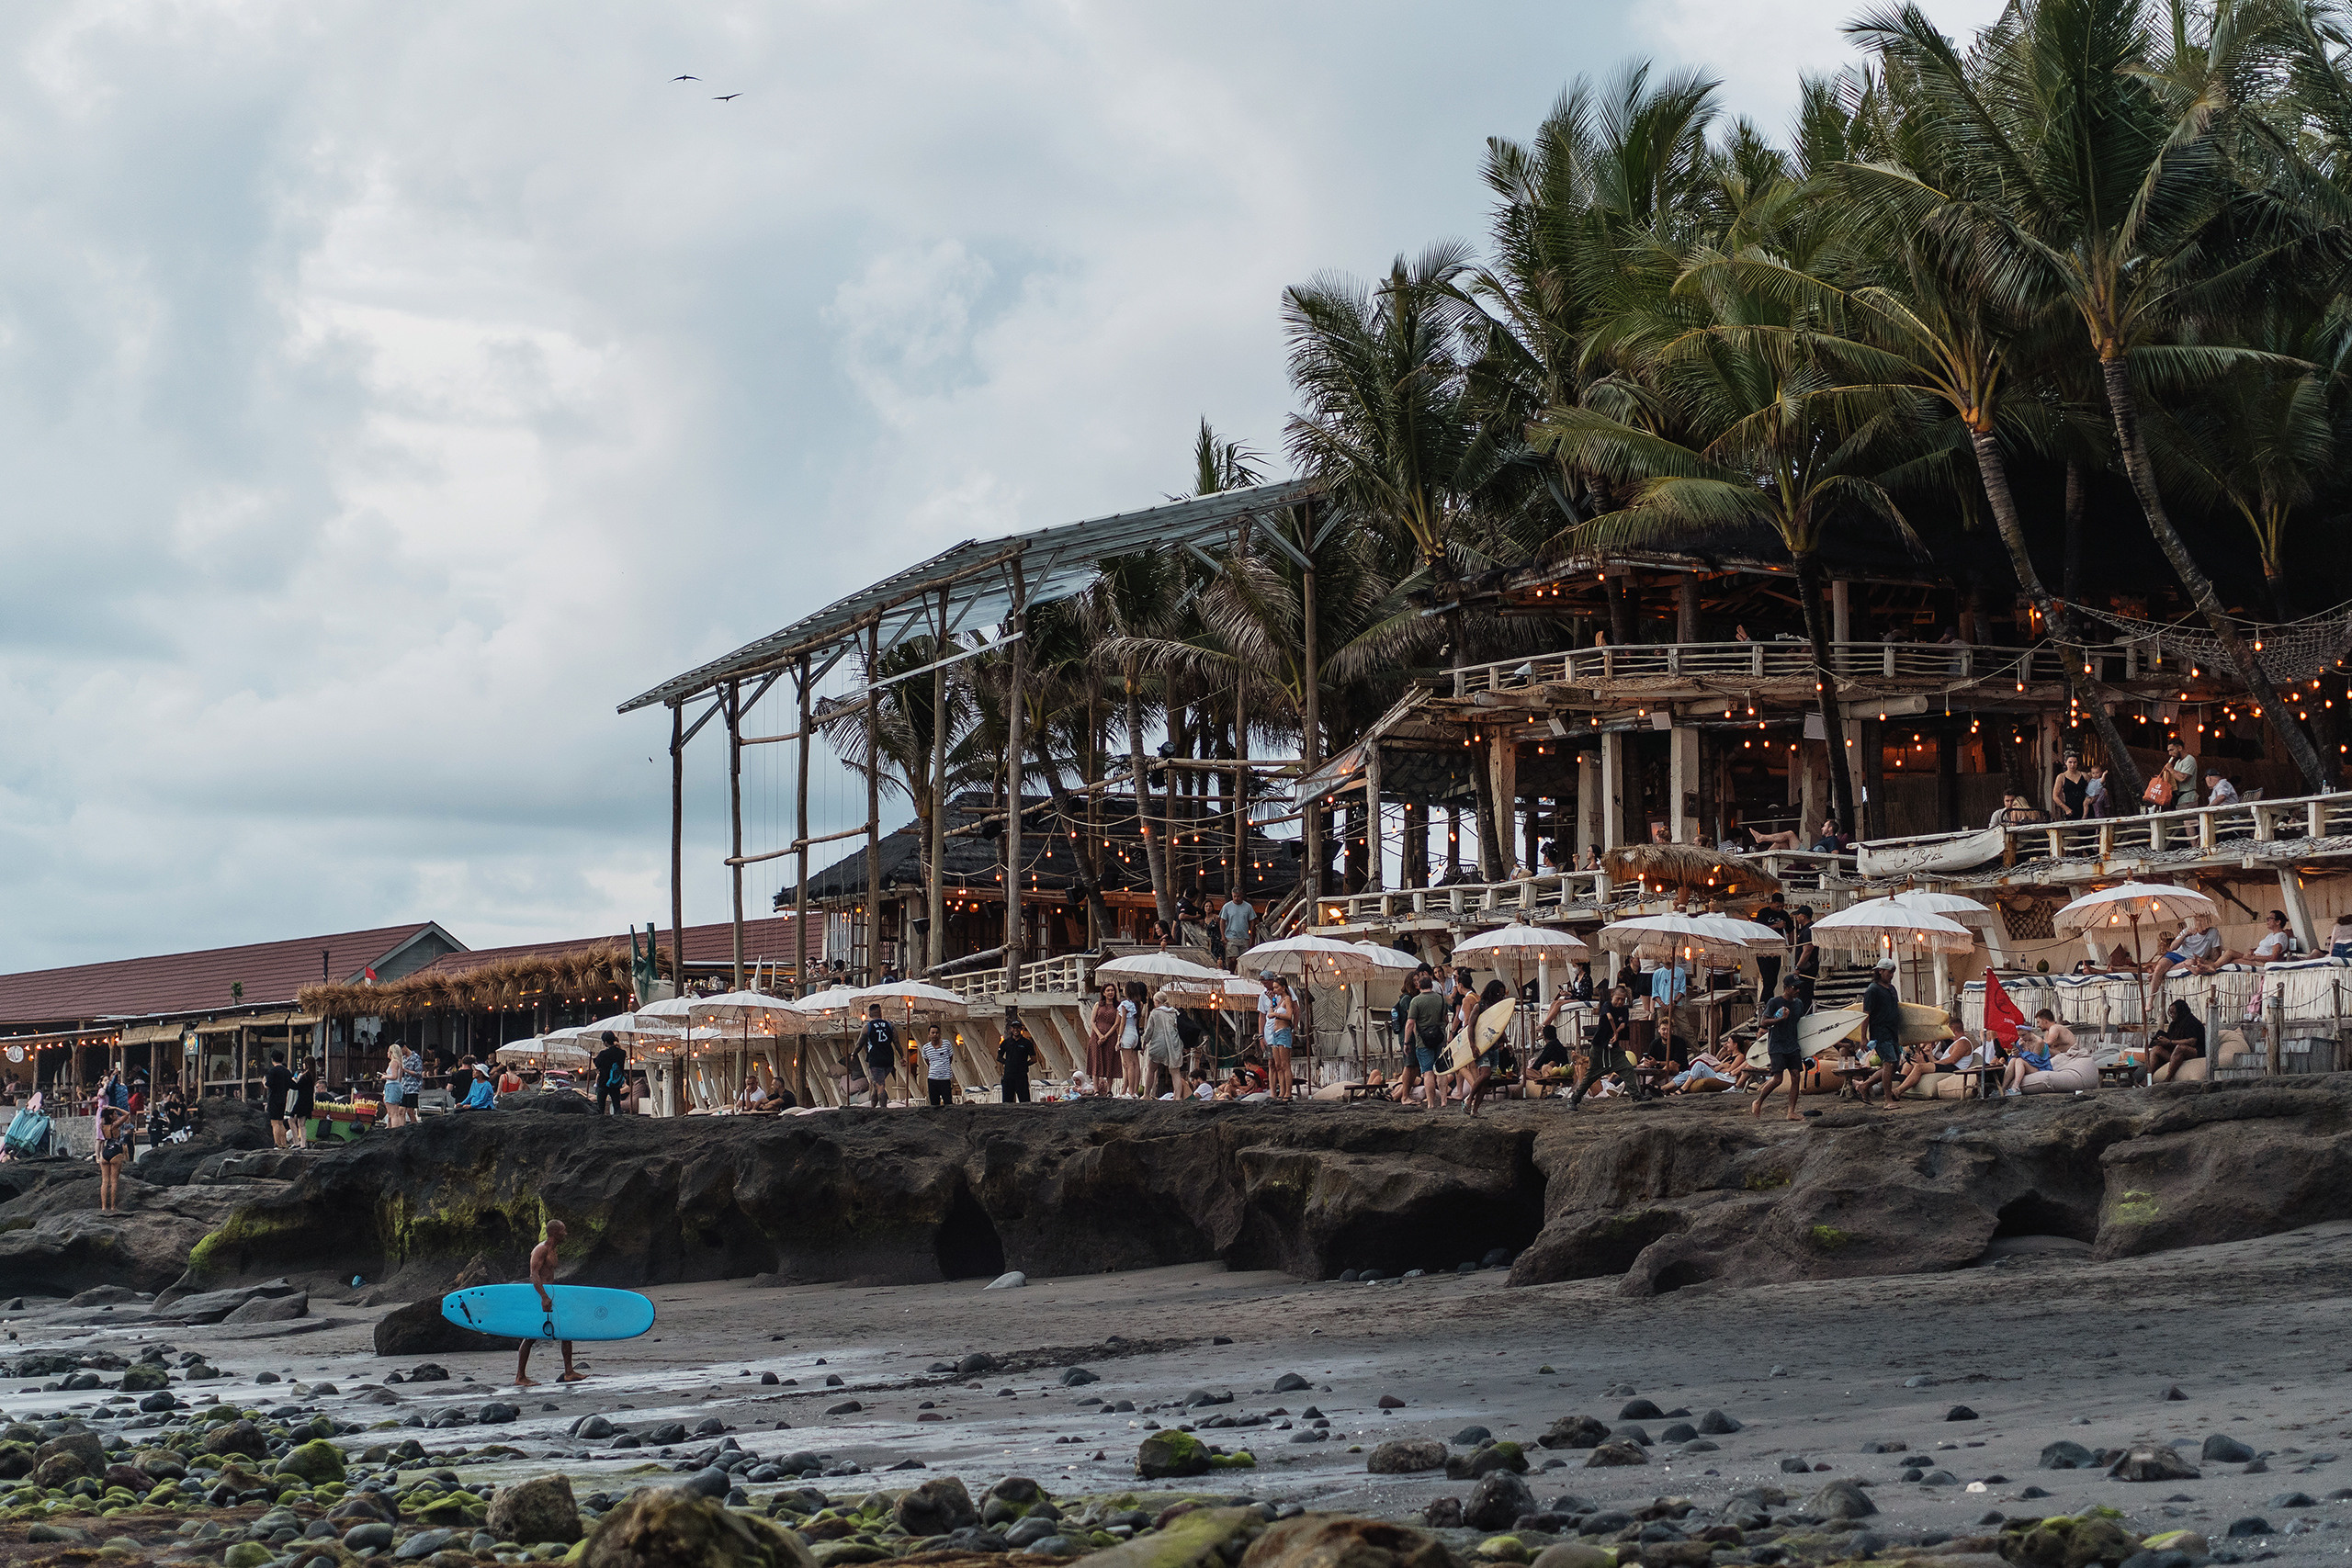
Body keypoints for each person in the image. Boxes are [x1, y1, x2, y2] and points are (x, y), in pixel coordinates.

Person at [515, 1220, 584, 1387]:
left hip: (551, 1295)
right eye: (563, 1231)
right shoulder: (541, 1250)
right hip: (541, 1296)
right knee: (531, 1336)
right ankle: (520, 1377)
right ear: (555, 1233)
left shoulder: (553, 1250)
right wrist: (544, 1297)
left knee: (565, 1331)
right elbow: (534, 1275)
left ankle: (569, 1372)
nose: (566, 1234)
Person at [1858, 962, 1903, 1109]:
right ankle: (1887, 1100)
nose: (1891, 975)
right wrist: (1863, 1037)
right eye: (1889, 972)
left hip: (1892, 1032)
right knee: (1889, 1062)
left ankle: (1865, 1086)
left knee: (1894, 1064)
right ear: (1880, 971)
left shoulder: (1892, 989)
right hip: (1880, 1033)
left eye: (1892, 972)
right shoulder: (1873, 990)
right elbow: (1866, 1015)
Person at [1405, 973, 1449, 1113]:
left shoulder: (1416, 1001)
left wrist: (1406, 1042)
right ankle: (1443, 1100)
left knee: (1428, 1071)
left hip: (1423, 1040)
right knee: (1441, 1070)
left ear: (1419, 986)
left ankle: (1431, 1103)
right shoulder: (1441, 1000)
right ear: (1431, 985)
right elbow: (1446, 1019)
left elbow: (1410, 1022)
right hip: (1440, 1038)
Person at [2002, 1010, 2074, 1095]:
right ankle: (2002, 1089)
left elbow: (2034, 1061)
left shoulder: (2039, 1041)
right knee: (2014, 1060)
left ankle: (2016, 1087)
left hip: (2040, 1067)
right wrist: (2015, 1054)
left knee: (2019, 1061)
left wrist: (2024, 1049)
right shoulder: (2021, 1041)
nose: (2021, 1037)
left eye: (2023, 1035)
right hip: (2031, 1065)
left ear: (2030, 1032)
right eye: (2019, 1035)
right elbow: (2014, 1059)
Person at [2147, 911, 2224, 989]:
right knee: (2159, 967)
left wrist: (2207, 960)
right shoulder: (2187, 931)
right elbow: (2172, 947)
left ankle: (2159, 973)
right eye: (2199, 922)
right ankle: (2150, 999)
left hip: (2190, 960)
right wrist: (2185, 935)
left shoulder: (2213, 932)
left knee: (2191, 962)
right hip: (2176, 955)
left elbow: (2215, 954)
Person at [1141, 996, 1192, 1100]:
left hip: (1158, 1044)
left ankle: (1146, 1095)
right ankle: (1177, 1097)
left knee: (1151, 1069)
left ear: (1157, 1001)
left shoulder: (1155, 1013)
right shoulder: (1174, 1012)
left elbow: (1149, 1030)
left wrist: (1144, 1043)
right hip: (1173, 1044)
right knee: (1175, 1072)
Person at [2145, 999, 2206, 1083]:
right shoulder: (2174, 1024)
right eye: (2170, 1013)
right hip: (2175, 1055)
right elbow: (2170, 1038)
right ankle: (2148, 1079)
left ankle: (2168, 1079)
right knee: (2156, 1049)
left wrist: (2170, 1042)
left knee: (2180, 1048)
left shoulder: (2192, 1022)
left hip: (2196, 1052)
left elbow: (2192, 1041)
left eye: (2173, 1013)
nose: (2171, 1015)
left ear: (2180, 1012)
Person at [1264, 976, 1298, 1102]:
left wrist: (1276, 1014)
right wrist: (1271, 1000)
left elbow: (1289, 1015)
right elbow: (1270, 1012)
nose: (1275, 989)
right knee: (1278, 1065)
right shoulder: (1278, 1001)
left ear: (1283, 988)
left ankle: (1288, 1092)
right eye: (1274, 988)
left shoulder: (1287, 999)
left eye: (1277, 987)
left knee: (1285, 1064)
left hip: (1283, 1032)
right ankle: (1282, 1091)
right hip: (1275, 1033)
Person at [858, 1005, 899, 1107]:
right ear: (880, 1012)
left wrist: (854, 1054)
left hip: (876, 1059)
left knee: (880, 1085)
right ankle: (873, 1107)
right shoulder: (890, 1025)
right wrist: (902, 1056)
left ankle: (883, 1109)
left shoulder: (868, 1026)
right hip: (889, 1059)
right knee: (875, 1083)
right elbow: (896, 1042)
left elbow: (860, 1043)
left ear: (870, 1013)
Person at [2222, 909, 2294, 967]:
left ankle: (2213, 968)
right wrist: (2253, 950)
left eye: (2269, 919)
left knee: (2230, 961)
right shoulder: (2271, 935)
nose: (2267, 921)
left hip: (2259, 962)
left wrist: (2253, 958)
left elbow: (2273, 958)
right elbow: (2266, 948)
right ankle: (2214, 967)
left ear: (2278, 922)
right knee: (2229, 953)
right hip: (2254, 957)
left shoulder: (2280, 936)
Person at [1754, 892, 1792, 998]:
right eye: (1777, 906)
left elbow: (1790, 929)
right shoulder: (1763, 913)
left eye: (1782, 906)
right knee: (1768, 981)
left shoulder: (1784, 914)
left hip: (1777, 951)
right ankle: (1764, 1004)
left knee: (1773, 980)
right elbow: (1760, 929)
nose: (1780, 908)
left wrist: (1789, 942)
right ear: (1772, 903)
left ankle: (1768, 1003)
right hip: (1764, 952)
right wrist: (1776, 925)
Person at [1086, 984, 1121, 1096]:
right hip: (1096, 1036)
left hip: (1111, 1036)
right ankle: (1096, 1089)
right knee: (1096, 1061)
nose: (1110, 992)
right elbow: (1092, 1021)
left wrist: (1106, 1036)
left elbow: (1116, 1024)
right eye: (1108, 990)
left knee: (1110, 1061)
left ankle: (1109, 1089)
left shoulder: (1117, 1006)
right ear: (1104, 993)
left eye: (1112, 990)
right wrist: (1100, 1035)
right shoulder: (1098, 1005)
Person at [96, 1106, 131, 1214]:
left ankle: (103, 1207)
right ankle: (112, 1206)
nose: (117, 1115)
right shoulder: (115, 1125)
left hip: (106, 1151)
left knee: (105, 1181)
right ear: (111, 1116)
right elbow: (127, 1114)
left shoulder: (102, 1125)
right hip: (116, 1150)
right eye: (115, 1114)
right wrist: (115, 1107)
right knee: (114, 1181)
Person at [996, 1016, 1038, 1103]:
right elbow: (998, 1057)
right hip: (1008, 1075)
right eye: (1014, 1028)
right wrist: (1008, 1063)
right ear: (1011, 1029)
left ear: (1021, 1029)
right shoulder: (1006, 1043)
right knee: (1007, 1101)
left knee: (1024, 1100)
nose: (1016, 1030)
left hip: (1021, 1075)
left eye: (1018, 1028)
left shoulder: (1026, 1043)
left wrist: (1024, 1065)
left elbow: (1034, 1059)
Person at [2147, 739, 2197, 811]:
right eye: (2169, 751)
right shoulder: (2178, 762)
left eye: (2172, 750)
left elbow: (2183, 778)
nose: (2170, 754)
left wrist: (2171, 769)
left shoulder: (2189, 759)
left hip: (2187, 798)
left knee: (2189, 822)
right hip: (2179, 798)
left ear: (2180, 748)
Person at [1217, 887, 1256, 970]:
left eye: (1238, 896)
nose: (1236, 898)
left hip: (1244, 936)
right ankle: (1231, 972)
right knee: (1233, 958)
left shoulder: (1248, 907)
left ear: (1241, 896)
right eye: (1234, 896)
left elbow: (1252, 921)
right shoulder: (1227, 907)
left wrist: (1252, 937)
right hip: (1231, 936)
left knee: (1244, 960)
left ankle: (1241, 975)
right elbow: (1222, 921)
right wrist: (1223, 936)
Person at [592, 1032, 628, 1116]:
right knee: (617, 1106)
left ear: (605, 1042)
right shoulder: (622, 1053)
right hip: (615, 1082)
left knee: (600, 1107)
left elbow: (597, 1063)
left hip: (603, 1082)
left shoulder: (603, 1054)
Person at [263, 1052, 295, 1148]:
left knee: (275, 1123)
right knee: (281, 1122)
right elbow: (290, 1085)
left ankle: (277, 1143)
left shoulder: (273, 1071)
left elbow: (268, 1085)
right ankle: (283, 1142)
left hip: (273, 1099)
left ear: (273, 1060)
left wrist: (264, 1082)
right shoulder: (287, 1071)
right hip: (283, 1098)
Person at [920, 1024, 956, 1107]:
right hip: (933, 1078)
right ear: (929, 1034)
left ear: (940, 1034)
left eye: (937, 1033)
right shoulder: (926, 1048)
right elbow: (927, 1061)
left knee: (948, 1102)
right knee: (934, 1104)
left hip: (945, 1078)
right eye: (933, 1033)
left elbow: (950, 1058)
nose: (935, 1035)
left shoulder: (947, 1044)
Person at [2051, 754, 2089, 820]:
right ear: (2065, 762)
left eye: (2075, 762)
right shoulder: (2061, 777)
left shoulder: (2084, 775)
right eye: (2070, 762)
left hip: (2085, 808)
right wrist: (2066, 808)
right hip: (2071, 809)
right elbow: (2055, 796)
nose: (2072, 765)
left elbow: (2093, 789)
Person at [290, 1062, 318, 1147]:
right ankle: (303, 1144)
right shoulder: (312, 1075)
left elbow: (297, 1086)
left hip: (301, 1101)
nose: (303, 1064)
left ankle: (296, 1142)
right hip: (308, 1101)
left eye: (304, 1062)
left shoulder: (305, 1076)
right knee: (302, 1124)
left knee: (291, 1120)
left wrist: (292, 1081)